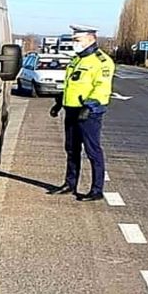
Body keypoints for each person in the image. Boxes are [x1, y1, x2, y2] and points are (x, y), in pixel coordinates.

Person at [47, 24, 115, 202]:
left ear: (91, 39)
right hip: (71, 109)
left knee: (93, 151)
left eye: (78, 40)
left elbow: (102, 87)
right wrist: (59, 103)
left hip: (88, 112)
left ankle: (97, 189)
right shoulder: (77, 59)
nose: (74, 43)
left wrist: (89, 106)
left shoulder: (102, 61)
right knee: (71, 149)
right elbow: (72, 85)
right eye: (74, 40)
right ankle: (70, 184)